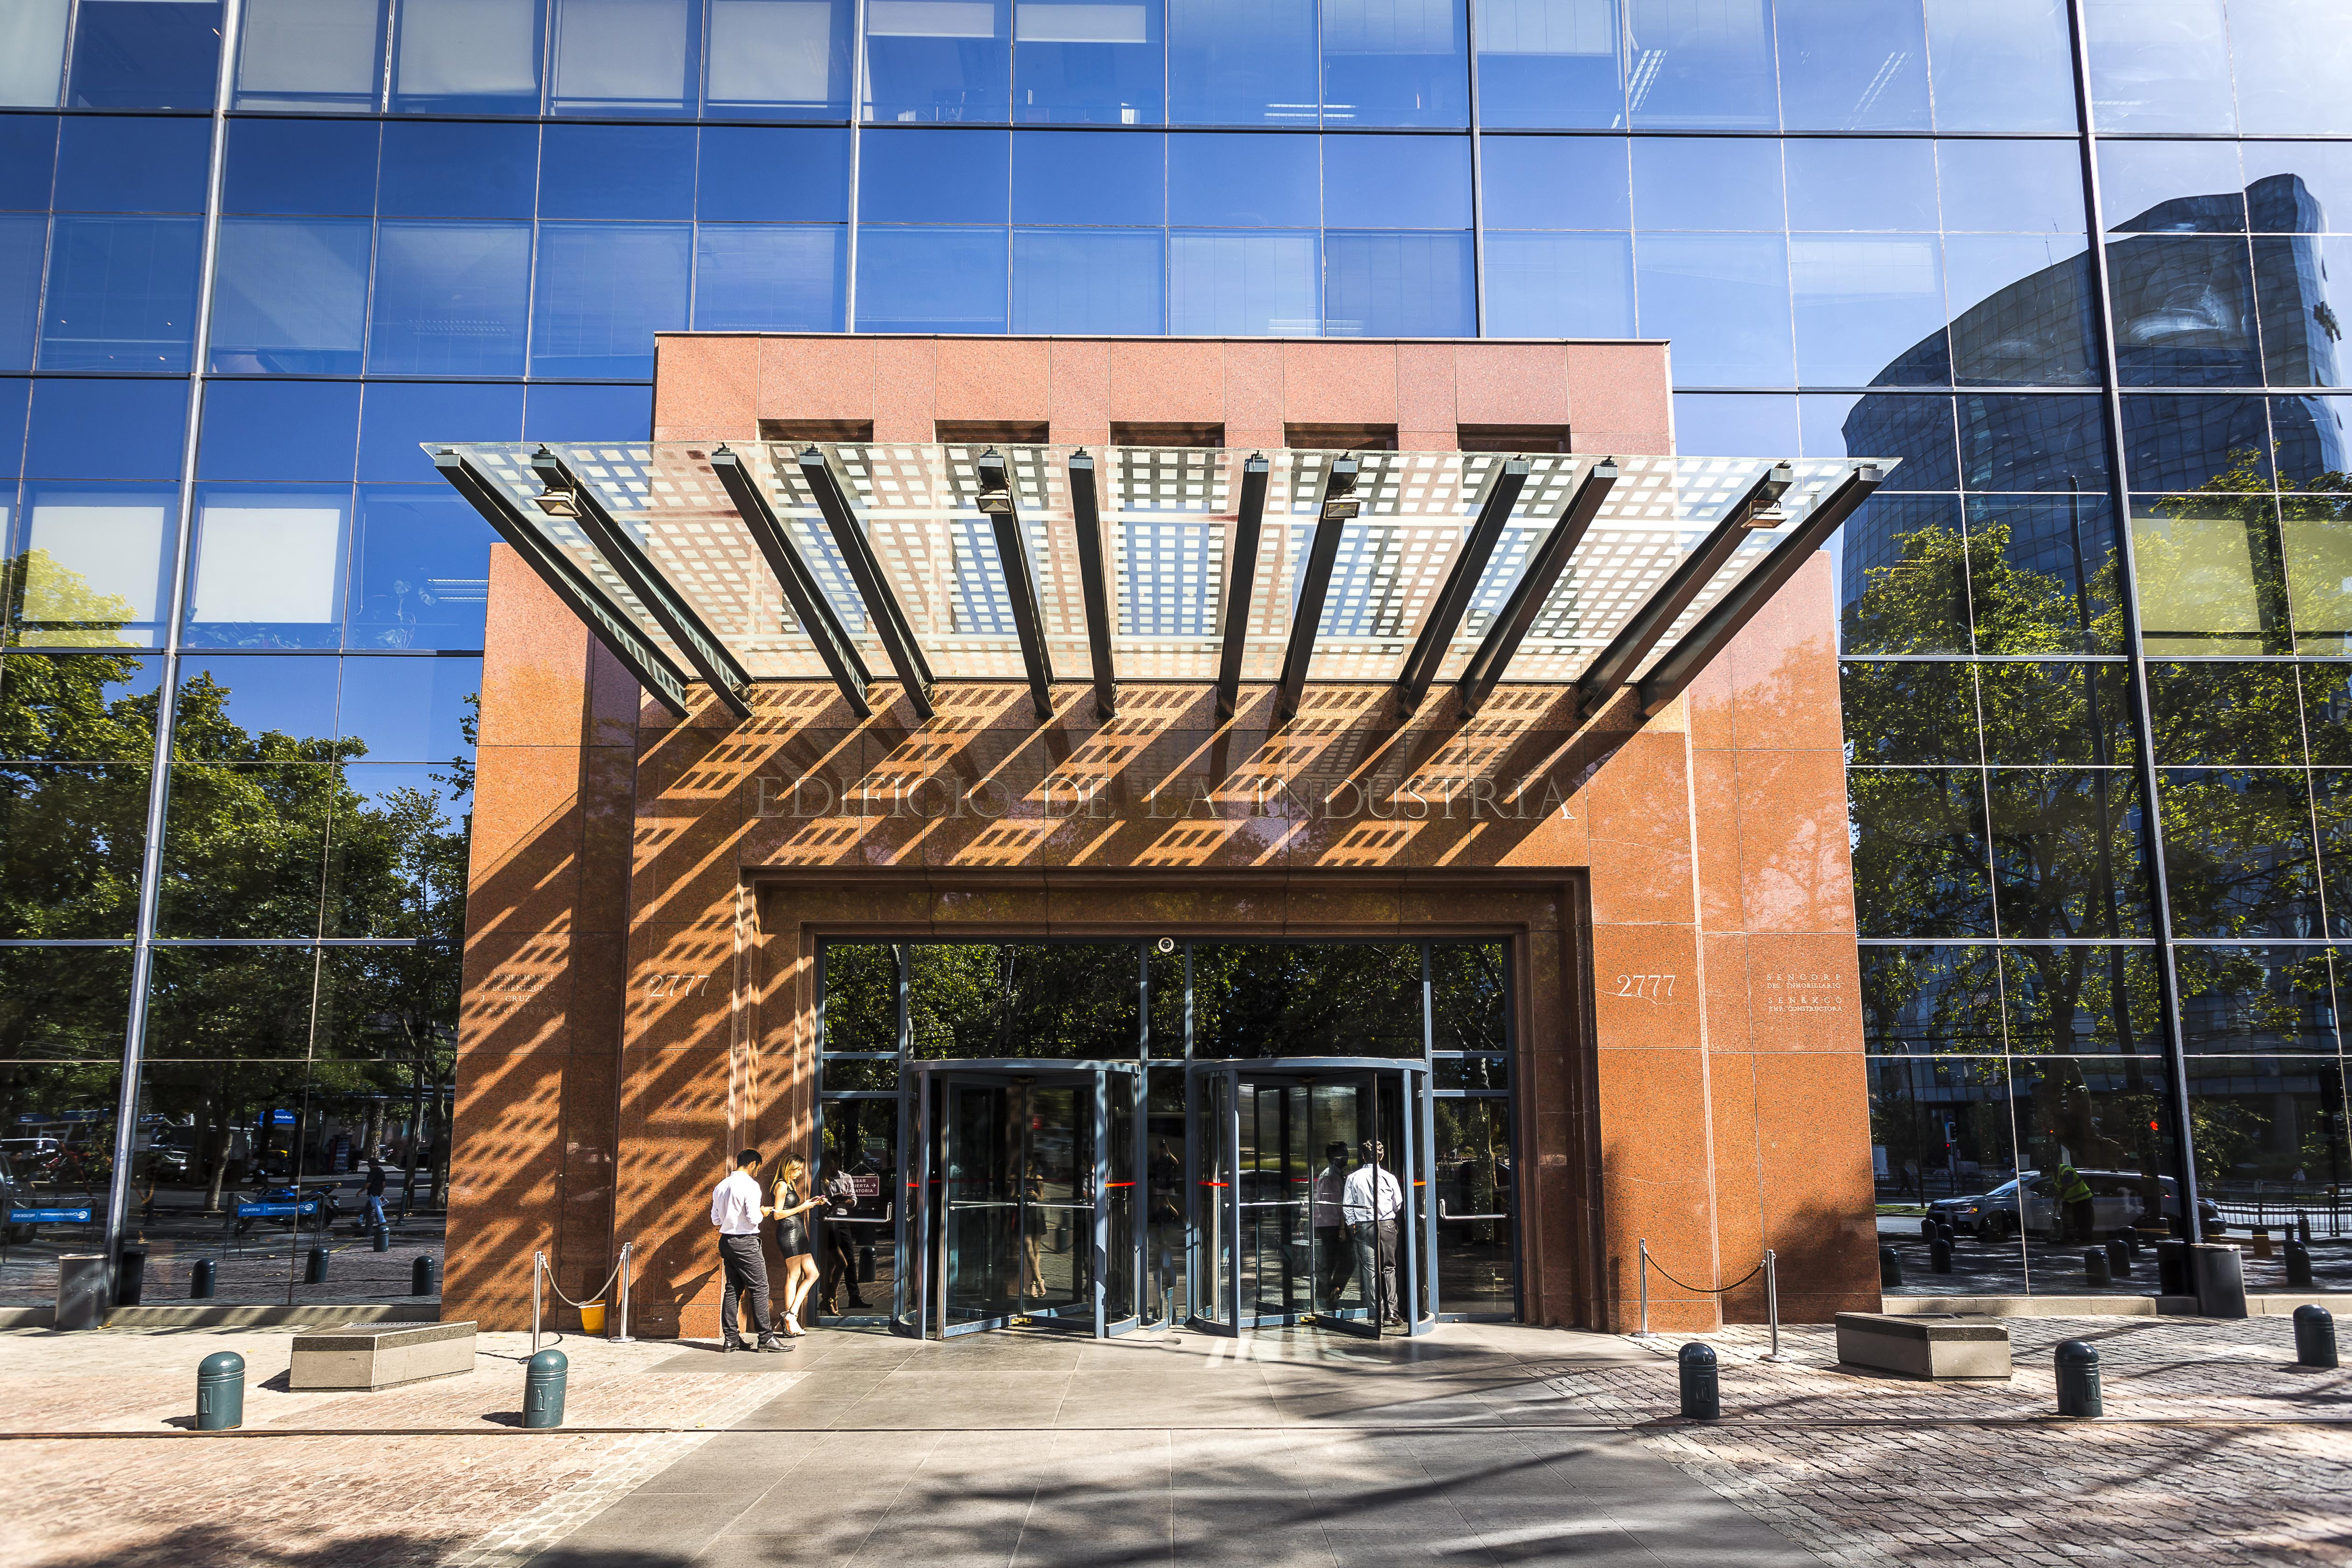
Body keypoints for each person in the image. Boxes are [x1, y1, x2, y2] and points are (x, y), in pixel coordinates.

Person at [711, 1149, 787, 1353]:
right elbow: (754, 1218)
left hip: (726, 1241)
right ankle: (766, 1338)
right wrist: (763, 1212)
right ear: (753, 1164)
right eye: (758, 1167)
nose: (757, 1171)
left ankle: (731, 1339)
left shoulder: (721, 1186)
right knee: (760, 1288)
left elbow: (716, 1220)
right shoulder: (751, 1186)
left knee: (733, 1288)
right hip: (745, 1242)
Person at [1342, 1138, 1406, 1326]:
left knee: (1370, 1270)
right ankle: (1392, 1311)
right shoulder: (1389, 1177)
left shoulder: (1353, 1178)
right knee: (1389, 1268)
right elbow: (1398, 1203)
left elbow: (1347, 1205)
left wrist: (1353, 1224)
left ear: (1363, 1156)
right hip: (1386, 1225)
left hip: (1364, 1226)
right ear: (1382, 1156)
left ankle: (1376, 1312)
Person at [770, 1156, 822, 1336]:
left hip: (798, 1231)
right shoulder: (781, 1185)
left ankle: (791, 1314)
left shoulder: (790, 1184)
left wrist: (809, 1203)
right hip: (789, 1232)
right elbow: (777, 1215)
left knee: (813, 1274)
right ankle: (790, 1321)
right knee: (794, 1275)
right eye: (798, 1169)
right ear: (790, 1168)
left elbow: (791, 1207)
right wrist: (802, 1208)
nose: (800, 1173)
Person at [817, 1155, 869, 1315]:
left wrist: (842, 1201)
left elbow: (854, 1200)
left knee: (848, 1258)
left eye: (833, 1165)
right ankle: (829, 1298)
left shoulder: (846, 1177)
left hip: (842, 1219)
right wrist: (832, 1202)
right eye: (828, 1165)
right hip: (827, 1221)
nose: (831, 1169)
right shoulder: (821, 1180)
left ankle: (852, 1295)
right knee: (831, 1262)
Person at [1309, 1142, 1355, 1313]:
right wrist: (1342, 1228)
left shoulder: (1335, 1175)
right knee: (1339, 1262)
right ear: (1336, 1158)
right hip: (1332, 1226)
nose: (1348, 1157)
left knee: (1334, 1262)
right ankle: (1327, 1295)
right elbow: (1336, 1206)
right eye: (1345, 1154)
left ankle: (1330, 1294)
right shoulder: (1330, 1177)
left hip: (1332, 1225)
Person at [2056, 1162, 2095, 1244]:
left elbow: (2066, 1185)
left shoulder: (2066, 1171)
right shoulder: (2057, 1174)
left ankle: (2084, 1240)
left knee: (2083, 1221)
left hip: (2082, 1200)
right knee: (2071, 1222)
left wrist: (2058, 1198)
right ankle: (2070, 1238)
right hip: (2071, 1201)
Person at [361, 1159, 388, 1233]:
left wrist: (360, 1191)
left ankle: (382, 1222)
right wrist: (382, 1191)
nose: (368, 1166)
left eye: (369, 1164)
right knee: (369, 1207)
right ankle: (360, 1221)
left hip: (373, 1192)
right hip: (378, 1191)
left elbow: (369, 1183)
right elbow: (384, 1182)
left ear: (371, 1164)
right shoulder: (381, 1171)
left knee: (376, 1207)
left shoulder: (372, 1172)